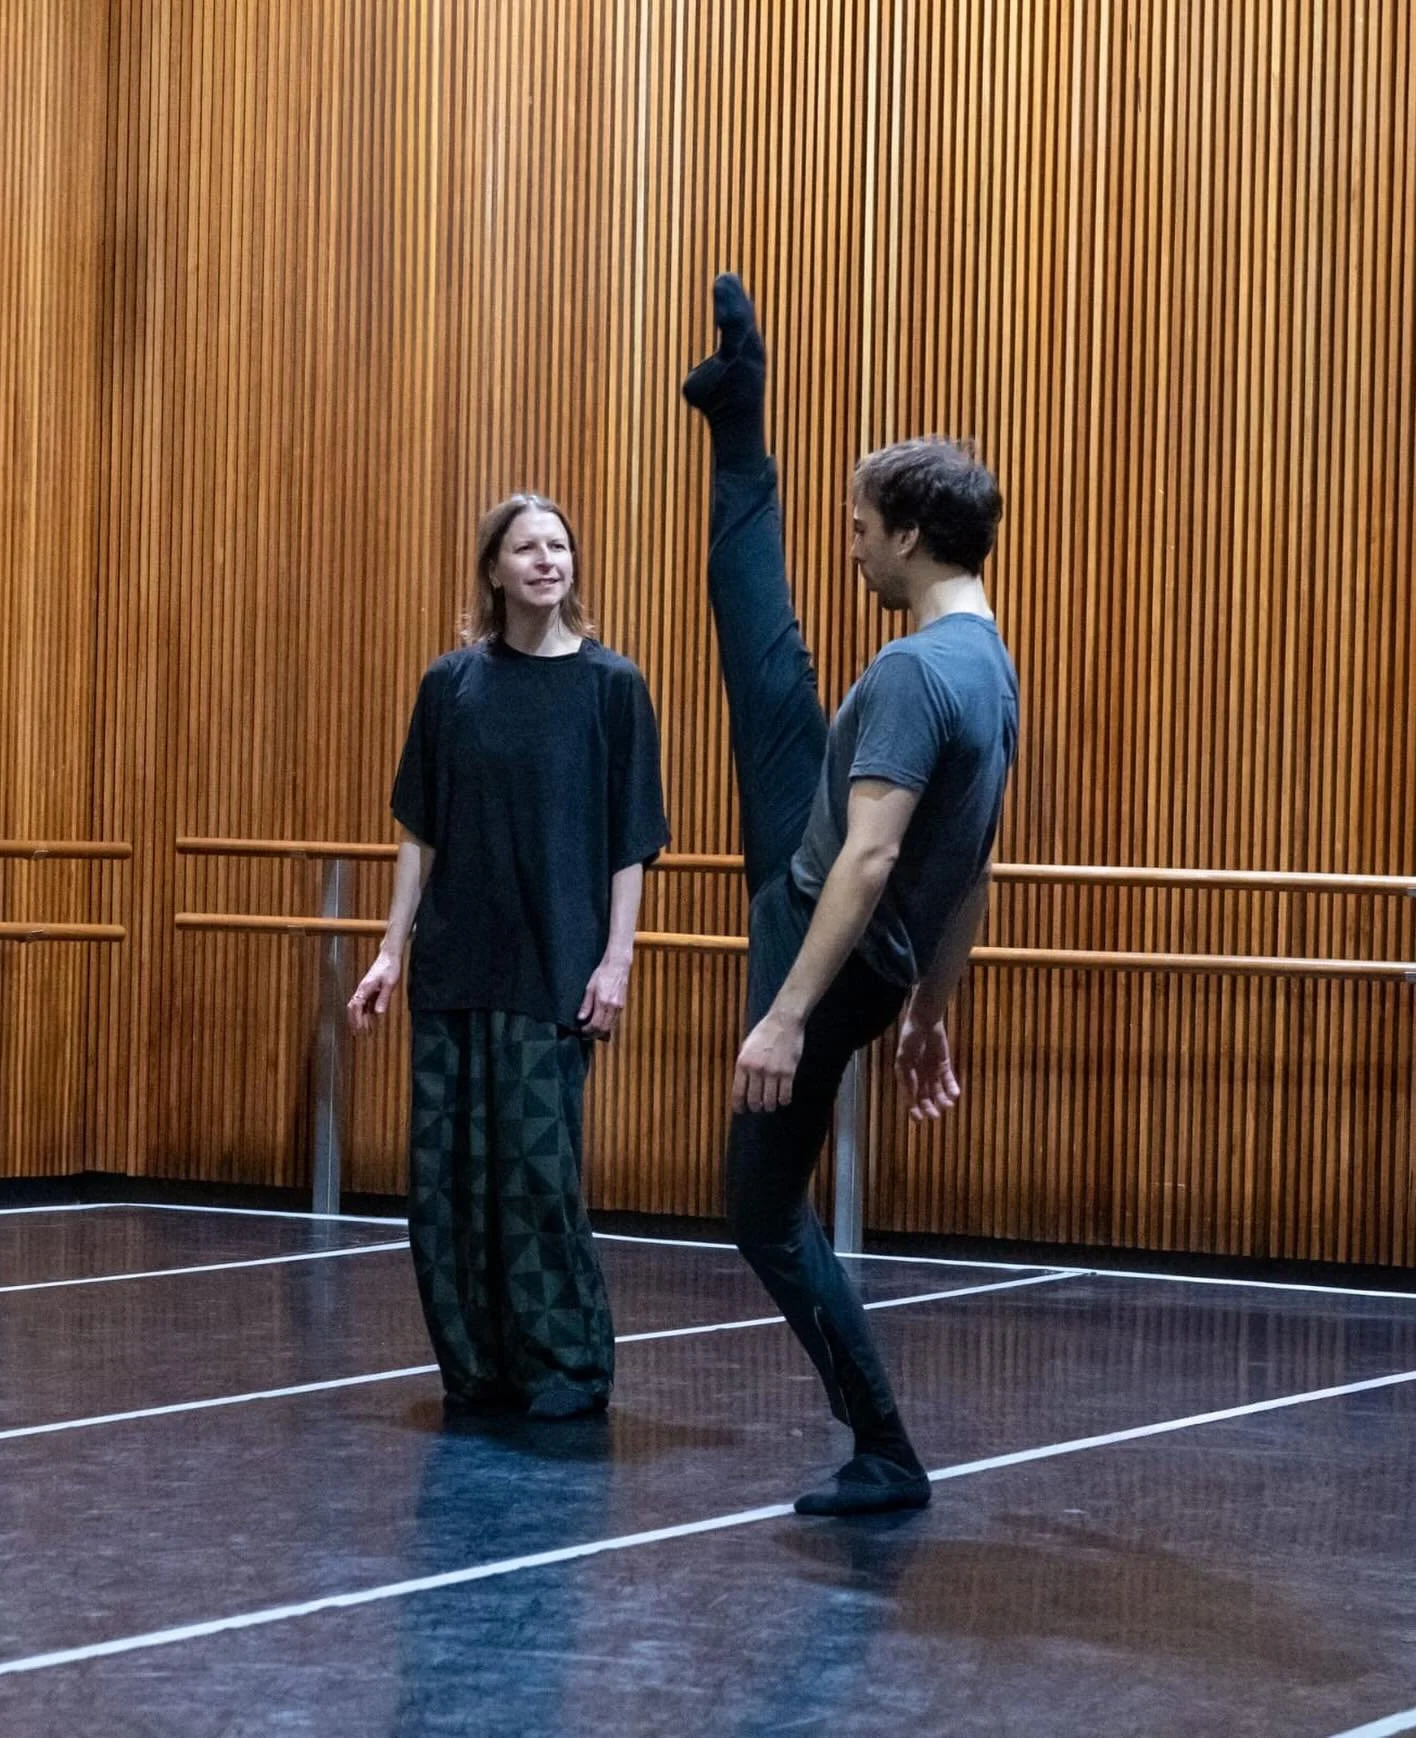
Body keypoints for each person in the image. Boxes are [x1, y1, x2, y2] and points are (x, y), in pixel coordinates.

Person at [682, 275, 1018, 1514]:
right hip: (833, 894)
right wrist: (936, 1009)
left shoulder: (911, 673)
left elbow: (878, 861)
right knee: (762, 653)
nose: (856, 544)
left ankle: (884, 1445)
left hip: (818, 925)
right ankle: (738, 422)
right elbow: (965, 862)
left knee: (761, 1209)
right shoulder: (985, 665)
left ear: (913, 537)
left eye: (862, 527)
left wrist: (782, 1012)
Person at [348, 493, 669, 1420]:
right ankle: (477, 1367)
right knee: (447, 1182)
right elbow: (421, 830)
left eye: (559, 545)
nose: (546, 560)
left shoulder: (614, 688)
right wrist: (389, 952)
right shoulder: (450, 685)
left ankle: (565, 1369)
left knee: (535, 1176)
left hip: (555, 966)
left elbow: (631, 842)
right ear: (493, 569)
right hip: (456, 965)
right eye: (525, 547)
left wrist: (616, 962)